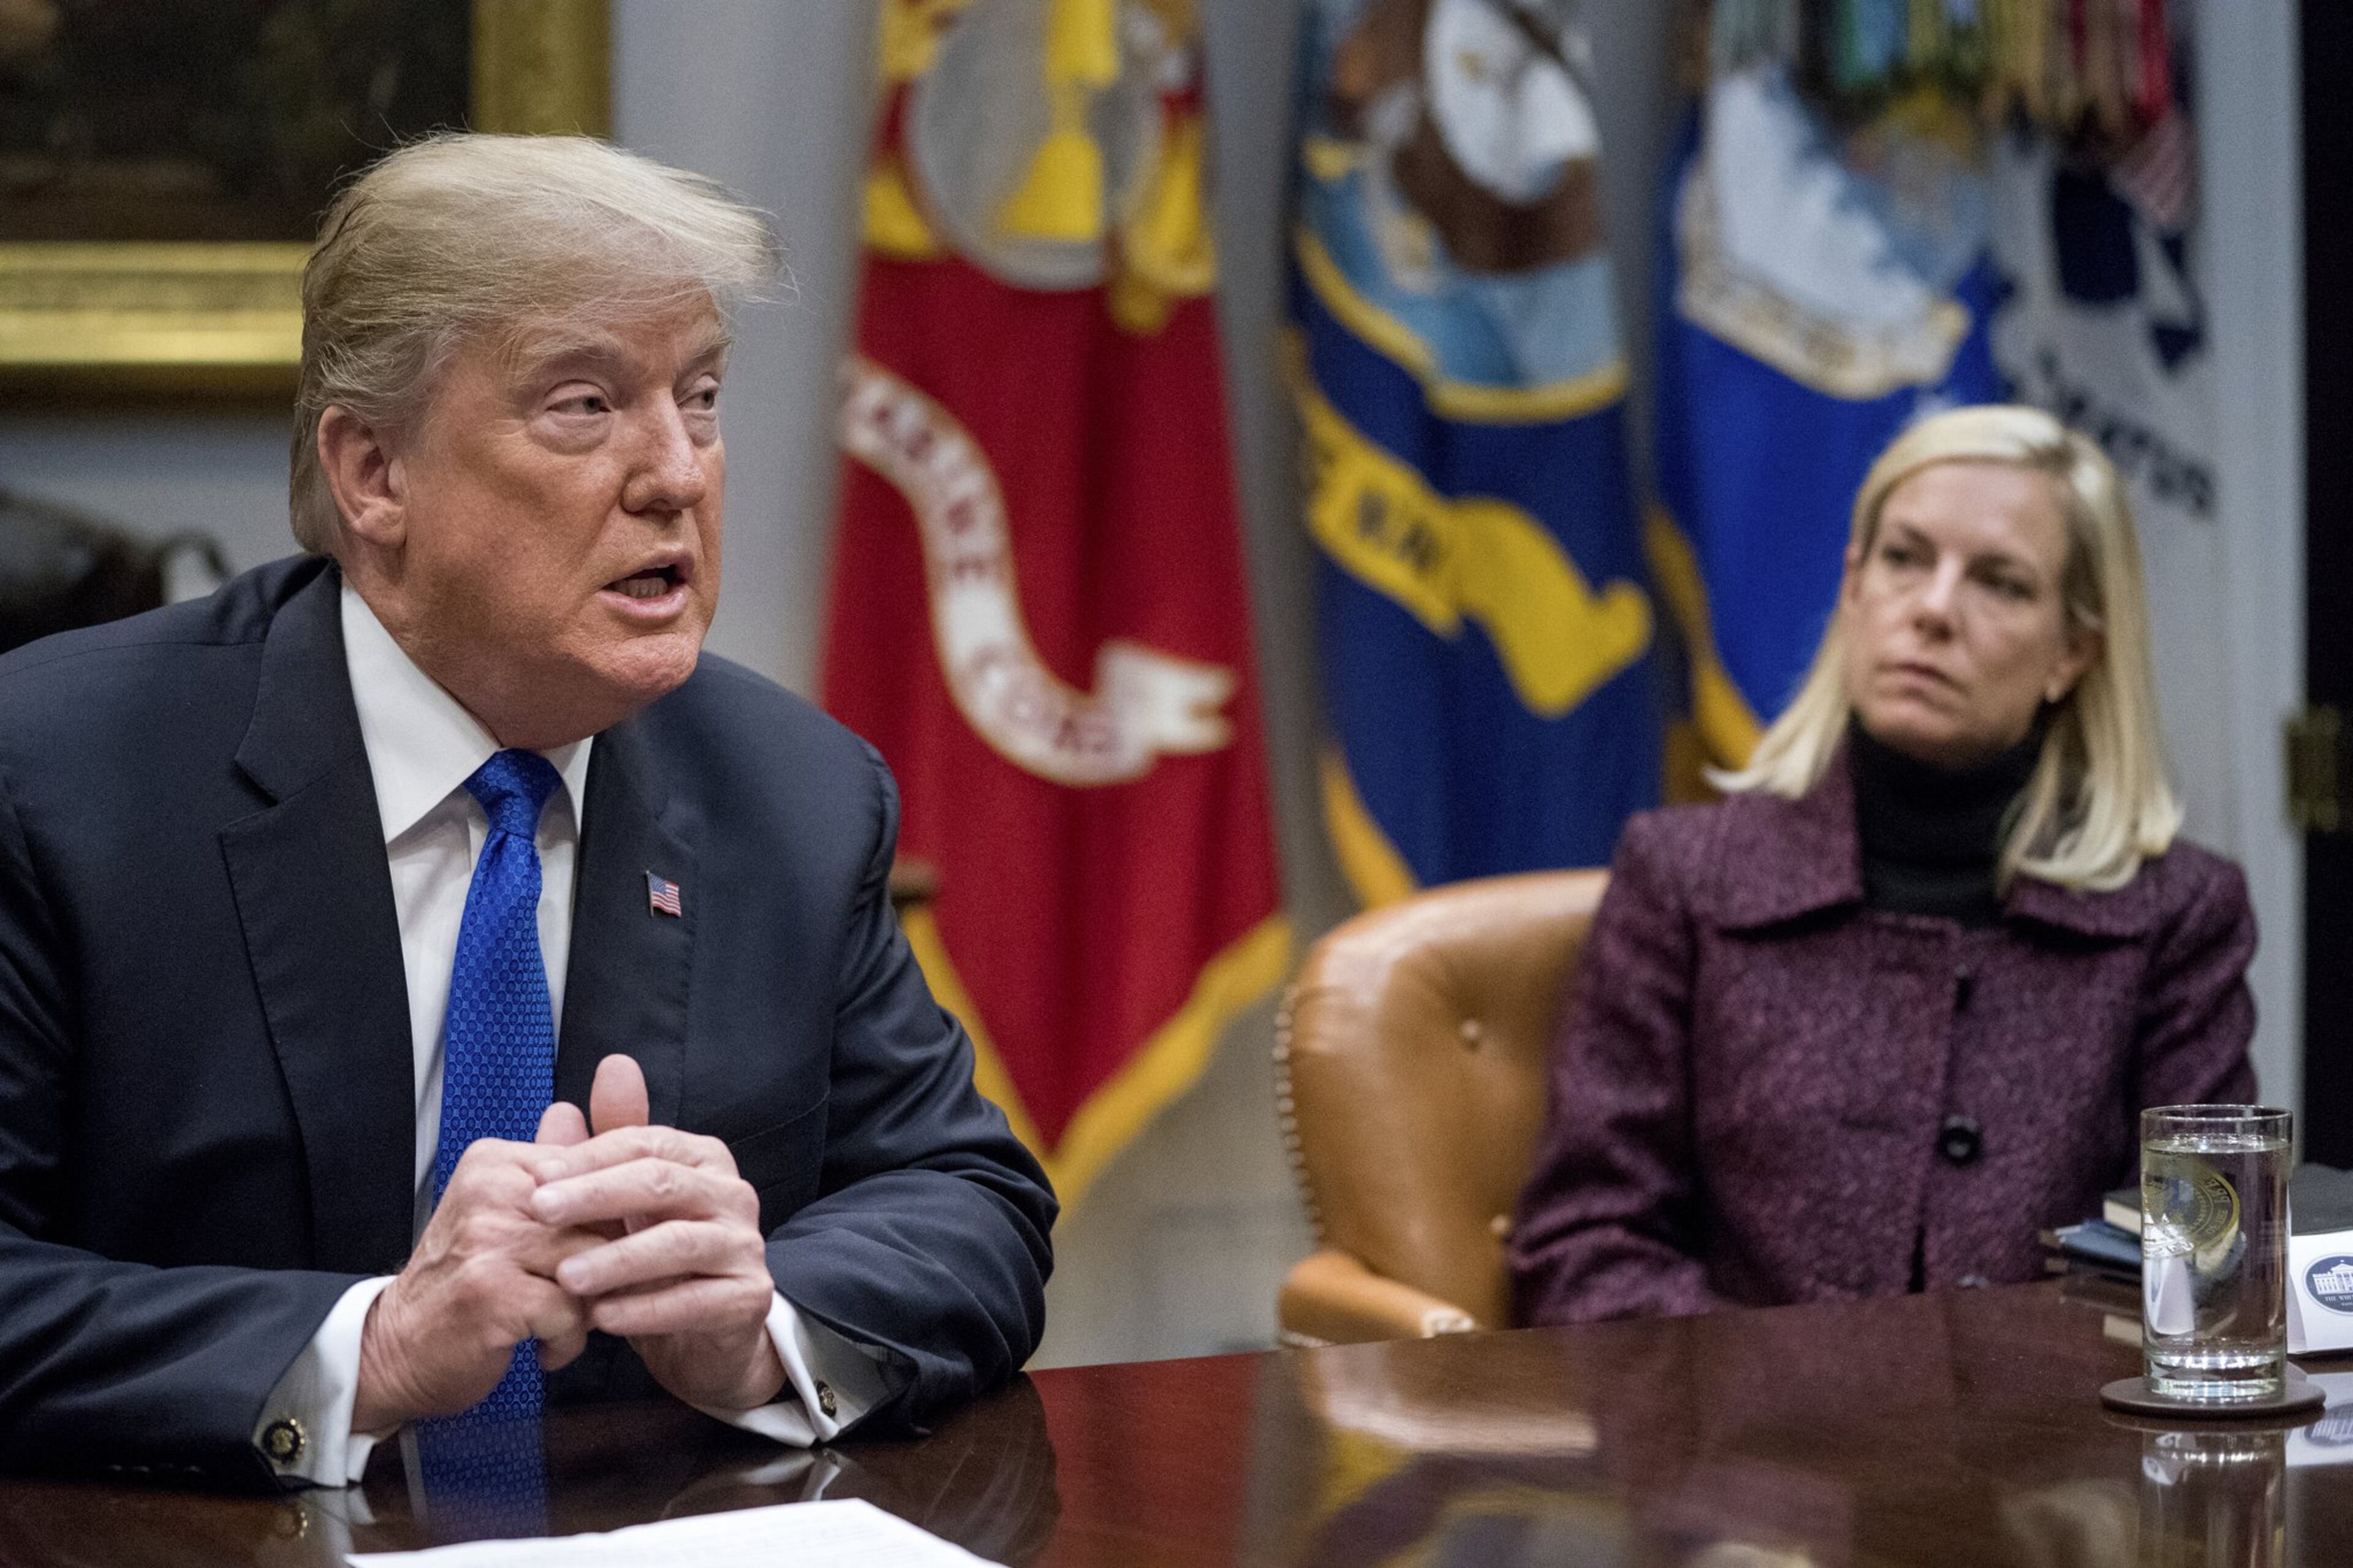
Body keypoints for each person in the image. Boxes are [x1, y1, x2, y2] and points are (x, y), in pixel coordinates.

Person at [0, 134, 1055, 1489]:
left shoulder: (791, 791)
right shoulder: (61, 777)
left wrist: (757, 1324)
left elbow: (971, 1202)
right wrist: (364, 1348)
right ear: (375, 473)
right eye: (584, 405)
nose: (676, 472)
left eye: (704, 397)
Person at [1509, 404, 2254, 1324]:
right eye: (1904, 559)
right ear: (1854, 590)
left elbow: (2197, 1272)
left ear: (2073, 653)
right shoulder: (1682, 877)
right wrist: (1804, 1412)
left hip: (2058, 1459)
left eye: (2001, 583)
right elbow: (1583, 1252)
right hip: (1743, 1450)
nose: (1934, 610)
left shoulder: (2178, 912)